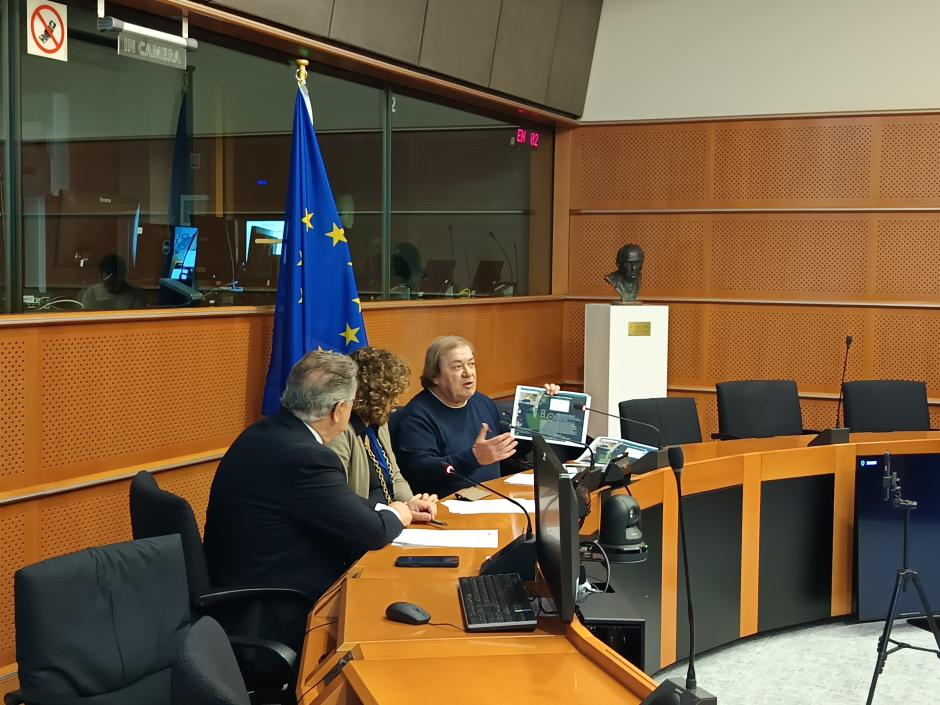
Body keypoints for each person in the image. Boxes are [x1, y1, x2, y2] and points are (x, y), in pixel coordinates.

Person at [203, 351, 436, 610]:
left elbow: (337, 502)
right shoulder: (307, 458)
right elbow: (373, 533)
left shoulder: (263, 433)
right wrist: (397, 514)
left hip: (244, 580)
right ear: (339, 410)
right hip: (277, 603)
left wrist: (389, 508)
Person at [392, 335, 559, 497]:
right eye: (457, 367)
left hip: (494, 498)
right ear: (435, 376)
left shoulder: (482, 402)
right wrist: (473, 458)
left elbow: (506, 451)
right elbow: (421, 472)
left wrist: (540, 414)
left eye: (471, 364)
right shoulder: (417, 415)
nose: (468, 373)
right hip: (449, 505)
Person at [328, 346, 438, 509]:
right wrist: (393, 512)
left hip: (392, 516)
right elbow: (339, 500)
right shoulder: (340, 433)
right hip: (367, 519)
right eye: (390, 396)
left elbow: (395, 477)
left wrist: (411, 503)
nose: (396, 402)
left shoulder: (379, 423)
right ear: (369, 397)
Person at [80, 254, 145, 310]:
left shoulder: (136, 294)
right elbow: (86, 318)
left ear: (123, 276)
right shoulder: (91, 294)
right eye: (108, 281)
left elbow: (138, 318)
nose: (112, 284)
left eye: (115, 281)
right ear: (101, 276)